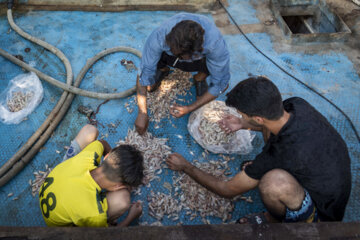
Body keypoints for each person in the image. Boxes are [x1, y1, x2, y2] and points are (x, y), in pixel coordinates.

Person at [166, 76, 351, 223]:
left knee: (272, 182)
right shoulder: (296, 104)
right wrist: (242, 123)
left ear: (258, 118)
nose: (240, 116)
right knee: (270, 139)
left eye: (242, 114)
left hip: (325, 213)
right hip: (325, 174)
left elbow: (227, 189)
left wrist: (186, 167)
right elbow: (266, 124)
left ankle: (278, 220)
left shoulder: (280, 153)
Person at [135, 12, 230, 134]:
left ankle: (200, 77)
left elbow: (220, 84)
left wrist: (190, 108)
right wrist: (142, 112)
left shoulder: (214, 45)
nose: (180, 58)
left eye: (183, 56)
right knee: (150, 75)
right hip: (170, 54)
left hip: (200, 58)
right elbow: (144, 71)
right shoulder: (160, 37)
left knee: (210, 73)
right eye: (176, 53)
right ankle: (163, 69)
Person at [39, 124, 144, 227]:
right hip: (57, 227)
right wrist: (131, 217)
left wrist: (114, 162)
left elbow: (102, 143)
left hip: (58, 180)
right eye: (124, 187)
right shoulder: (94, 213)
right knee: (123, 200)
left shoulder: (90, 155)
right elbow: (108, 236)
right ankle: (107, 221)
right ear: (118, 186)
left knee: (90, 130)